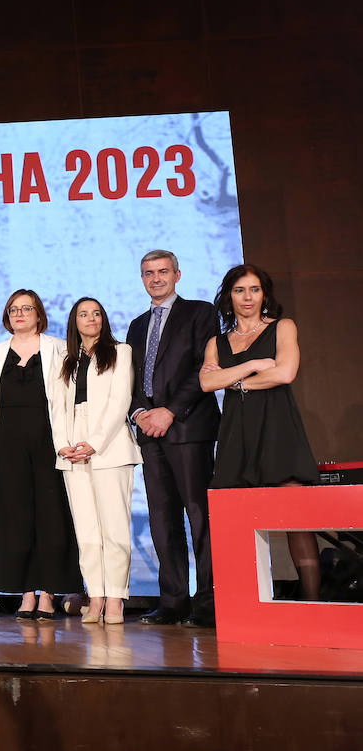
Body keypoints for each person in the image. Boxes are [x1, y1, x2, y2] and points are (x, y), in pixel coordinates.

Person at [199, 264, 321, 601]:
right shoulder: (217, 342)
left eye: (254, 289)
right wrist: (253, 366)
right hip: (237, 431)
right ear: (229, 297)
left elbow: (284, 373)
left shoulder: (282, 327)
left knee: (295, 520)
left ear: (264, 294)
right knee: (236, 520)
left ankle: (313, 603)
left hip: (278, 427)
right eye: (240, 290)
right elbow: (207, 382)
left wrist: (234, 381)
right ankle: (245, 607)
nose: (247, 297)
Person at [127, 249, 220, 627]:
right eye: (149, 273)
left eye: (163, 271)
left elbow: (204, 366)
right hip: (149, 434)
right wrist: (140, 413)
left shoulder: (199, 312)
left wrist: (169, 411)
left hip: (189, 429)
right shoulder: (135, 325)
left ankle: (209, 603)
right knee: (162, 520)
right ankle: (173, 601)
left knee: (201, 517)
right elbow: (129, 378)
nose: (156, 278)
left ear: (177, 275)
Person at [0, 290, 81, 620]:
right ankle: (26, 593)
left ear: (39, 314)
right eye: (14, 309)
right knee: (15, 519)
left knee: (52, 517)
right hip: (7, 445)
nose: (20, 314)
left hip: (49, 441)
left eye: (27, 308)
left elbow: (71, 399)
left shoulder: (60, 348)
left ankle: (49, 593)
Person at [51, 298, 141, 624]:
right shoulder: (65, 359)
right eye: (83, 314)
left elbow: (121, 402)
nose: (91, 319)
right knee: (86, 531)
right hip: (73, 450)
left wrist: (95, 443)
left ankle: (116, 597)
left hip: (110, 447)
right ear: (74, 321)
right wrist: (63, 445)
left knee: (114, 528)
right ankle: (96, 596)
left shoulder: (121, 351)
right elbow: (57, 407)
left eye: (96, 313)